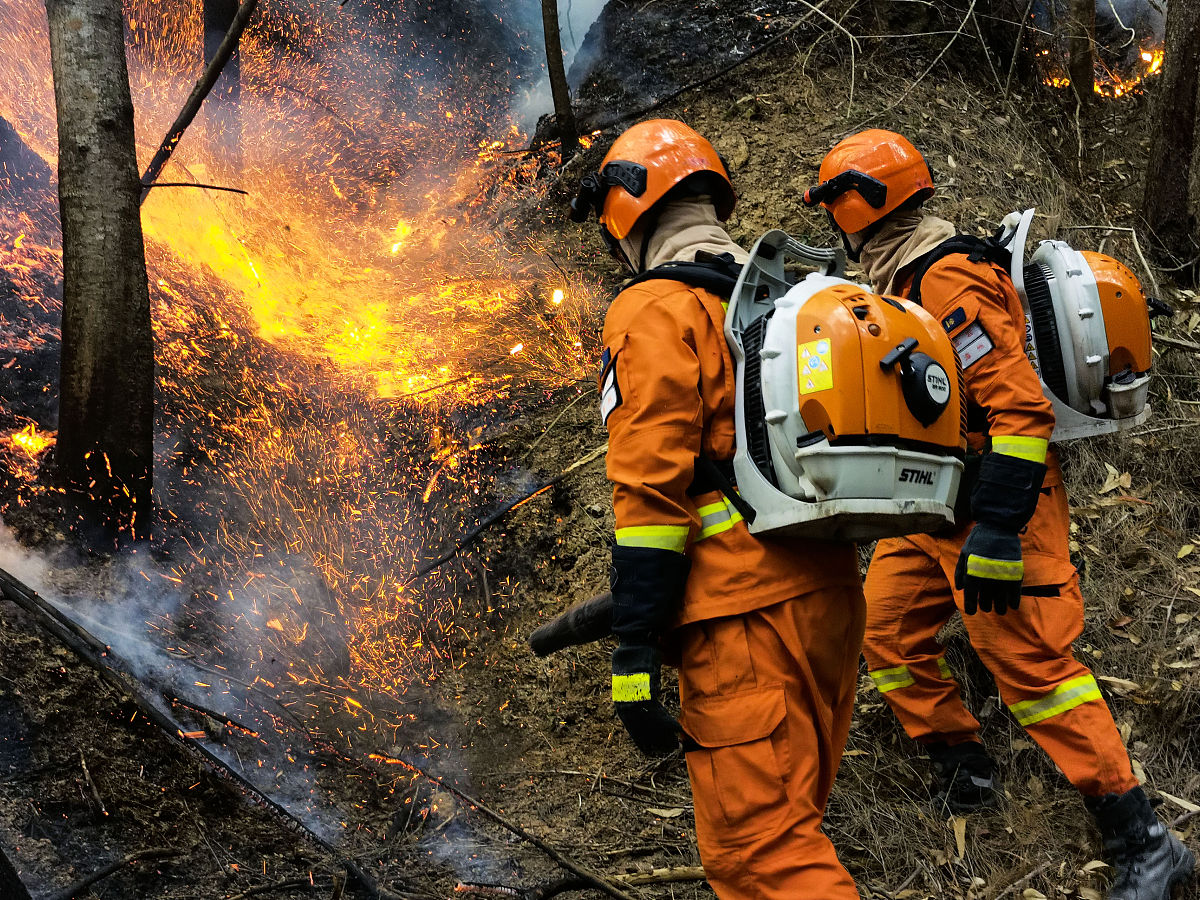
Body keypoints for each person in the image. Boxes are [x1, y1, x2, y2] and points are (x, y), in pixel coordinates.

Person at [805, 128, 1194, 900]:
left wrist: (998, 529)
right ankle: (965, 767)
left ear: (858, 207)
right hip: (933, 498)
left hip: (1000, 500)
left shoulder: (947, 279)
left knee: (1036, 669)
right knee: (884, 635)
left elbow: (1019, 413)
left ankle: (1146, 840)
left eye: (837, 210)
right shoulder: (896, 277)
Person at [570, 118, 866, 899]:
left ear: (627, 215)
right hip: (831, 594)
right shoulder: (790, 296)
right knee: (794, 826)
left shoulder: (655, 307)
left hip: (743, 622)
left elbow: (650, 488)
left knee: (761, 858)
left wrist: (634, 646)